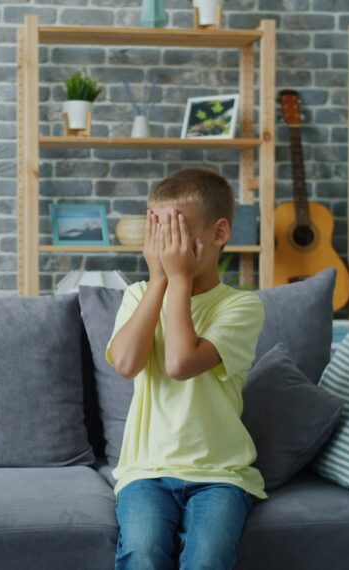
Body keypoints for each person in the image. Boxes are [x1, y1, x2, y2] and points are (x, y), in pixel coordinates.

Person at [106, 168, 266, 570]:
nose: (165, 247)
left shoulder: (240, 307)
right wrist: (159, 282)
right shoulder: (139, 295)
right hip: (146, 471)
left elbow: (180, 363)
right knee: (142, 553)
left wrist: (176, 279)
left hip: (220, 474)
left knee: (208, 559)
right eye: (157, 232)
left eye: (176, 233)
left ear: (219, 233)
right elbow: (126, 364)